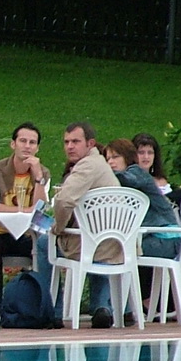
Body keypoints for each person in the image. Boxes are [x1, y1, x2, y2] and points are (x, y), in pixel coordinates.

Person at [42, 121, 120, 327]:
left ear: (90, 143)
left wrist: (58, 228)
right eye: (66, 142)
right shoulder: (102, 165)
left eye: (75, 141)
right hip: (116, 242)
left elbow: (64, 201)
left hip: (94, 245)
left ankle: (52, 310)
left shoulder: (86, 166)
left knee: (43, 242)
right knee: (94, 237)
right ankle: (101, 306)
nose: (69, 146)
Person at [0, 122, 50, 275]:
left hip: (29, 235)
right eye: (23, 141)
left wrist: (38, 178)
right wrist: (25, 210)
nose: (27, 146)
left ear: (37, 148)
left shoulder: (43, 173)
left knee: (46, 246)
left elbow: (41, 210)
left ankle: (41, 289)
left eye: (32, 142)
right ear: (13, 144)